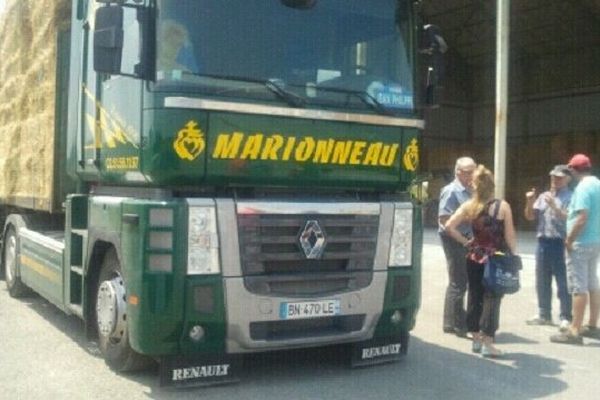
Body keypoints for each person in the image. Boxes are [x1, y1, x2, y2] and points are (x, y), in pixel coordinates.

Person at [445, 165, 517, 357]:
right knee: (492, 299)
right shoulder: (503, 207)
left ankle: (475, 338)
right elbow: (510, 235)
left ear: (474, 186)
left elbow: (449, 226)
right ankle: (488, 342)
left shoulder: (469, 206)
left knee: (475, 297)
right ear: (492, 185)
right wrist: (513, 256)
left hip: (475, 257)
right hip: (496, 259)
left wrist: (466, 241)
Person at [550, 154, 600, 345]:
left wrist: (570, 239)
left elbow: (581, 217)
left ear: (573, 169)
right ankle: (593, 324)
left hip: (580, 242)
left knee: (578, 287)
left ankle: (574, 330)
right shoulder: (597, 184)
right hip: (595, 240)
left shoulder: (582, 188)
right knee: (593, 284)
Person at [524, 165, 572, 329]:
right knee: (542, 279)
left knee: (563, 280)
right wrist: (530, 202)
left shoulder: (571, 197)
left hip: (560, 243)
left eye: (559, 177)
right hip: (543, 241)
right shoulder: (544, 196)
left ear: (567, 179)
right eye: (553, 177)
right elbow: (530, 216)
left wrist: (555, 207)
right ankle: (544, 313)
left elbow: (570, 218)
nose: (555, 180)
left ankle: (566, 316)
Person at [438, 157, 476, 337]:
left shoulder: (471, 191)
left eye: (473, 171)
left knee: (457, 281)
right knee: (459, 282)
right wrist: (464, 241)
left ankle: (449, 322)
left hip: (467, 238)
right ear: (458, 172)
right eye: (467, 172)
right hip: (454, 239)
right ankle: (460, 325)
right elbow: (444, 221)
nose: (471, 175)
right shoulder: (451, 191)